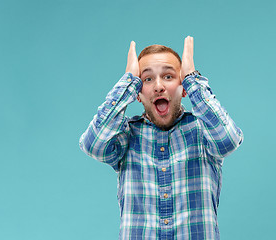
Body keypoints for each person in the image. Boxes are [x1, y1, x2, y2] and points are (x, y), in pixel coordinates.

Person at [79, 36, 244, 240]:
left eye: (168, 76)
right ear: (138, 94)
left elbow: (228, 140)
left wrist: (192, 78)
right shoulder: (126, 135)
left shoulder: (203, 130)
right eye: (147, 79)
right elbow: (93, 145)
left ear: (182, 88)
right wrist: (129, 81)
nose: (158, 86)